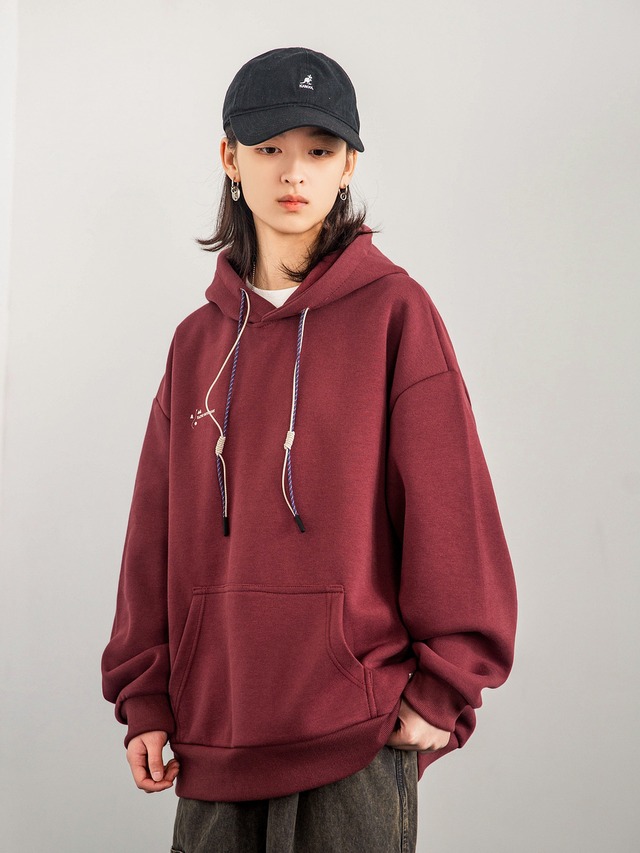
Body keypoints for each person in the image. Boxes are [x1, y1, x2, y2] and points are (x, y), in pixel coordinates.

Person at [101, 46, 517, 853]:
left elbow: (450, 507)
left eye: (320, 151)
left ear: (348, 165)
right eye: (269, 148)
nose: (294, 172)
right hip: (215, 735)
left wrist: (444, 687)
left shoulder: (396, 314)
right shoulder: (196, 343)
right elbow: (152, 537)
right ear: (230, 158)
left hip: (352, 740)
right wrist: (145, 696)